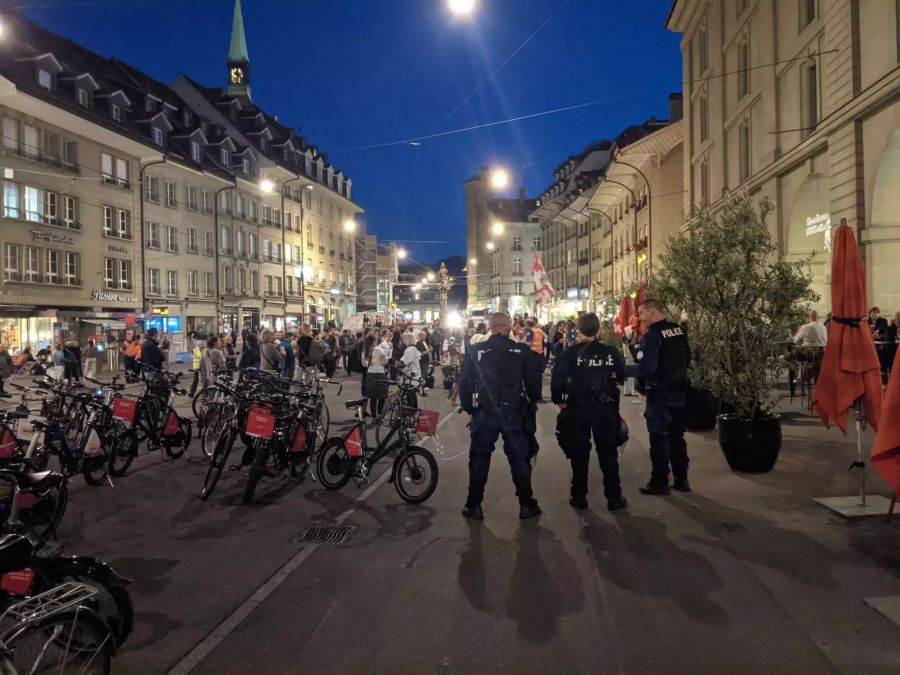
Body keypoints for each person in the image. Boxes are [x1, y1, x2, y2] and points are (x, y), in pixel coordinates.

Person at [459, 312, 544, 520]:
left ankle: (474, 505)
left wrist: (469, 408)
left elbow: (466, 382)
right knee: (519, 459)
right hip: (513, 411)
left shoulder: (476, 350)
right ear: (507, 327)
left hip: (486, 411)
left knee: (480, 458)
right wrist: (532, 401)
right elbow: (533, 382)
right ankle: (526, 504)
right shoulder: (521, 351)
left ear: (491, 327)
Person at [551, 313, 628, 511]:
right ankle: (614, 496)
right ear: (599, 329)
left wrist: (558, 400)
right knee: (608, 452)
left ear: (579, 329)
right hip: (605, 408)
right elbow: (621, 374)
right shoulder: (610, 351)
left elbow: (557, 379)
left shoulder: (571, 353)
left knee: (579, 453)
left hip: (578, 408)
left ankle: (578, 496)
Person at [624, 299, 691, 495]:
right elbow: (687, 358)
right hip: (679, 390)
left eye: (642, 314)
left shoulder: (652, 336)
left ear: (652, 312)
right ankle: (682, 479)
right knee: (677, 437)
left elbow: (648, 367)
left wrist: (624, 370)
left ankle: (659, 481)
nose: (641, 319)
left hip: (660, 393)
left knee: (659, 438)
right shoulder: (678, 330)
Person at [365, 332, 392, 418]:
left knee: (373, 397)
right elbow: (385, 362)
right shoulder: (378, 350)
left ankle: (374, 416)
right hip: (379, 373)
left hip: (370, 373)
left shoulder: (366, 350)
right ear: (374, 341)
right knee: (381, 395)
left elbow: (364, 363)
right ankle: (380, 414)